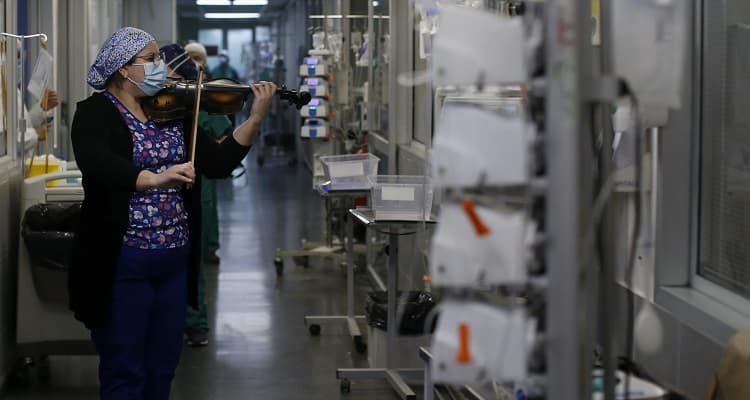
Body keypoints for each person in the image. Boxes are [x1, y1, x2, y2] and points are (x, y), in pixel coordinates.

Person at [68, 27, 276, 400]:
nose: (159, 67)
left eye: (158, 59)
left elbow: (216, 163)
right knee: (124, 369)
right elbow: (100, 165)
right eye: (150, 60)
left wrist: (255, 118)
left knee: (163, 367)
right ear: (122, 69)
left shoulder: (171, 112)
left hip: (173, 260)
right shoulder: (94, 113)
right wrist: (154, 178)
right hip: (122, 261)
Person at [161, 43, 231, 347]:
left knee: (192, 262)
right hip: (158, 194)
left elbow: (222, 135)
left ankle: (195, 323)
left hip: (193, 182)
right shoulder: (155, 101)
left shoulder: (201, 97)